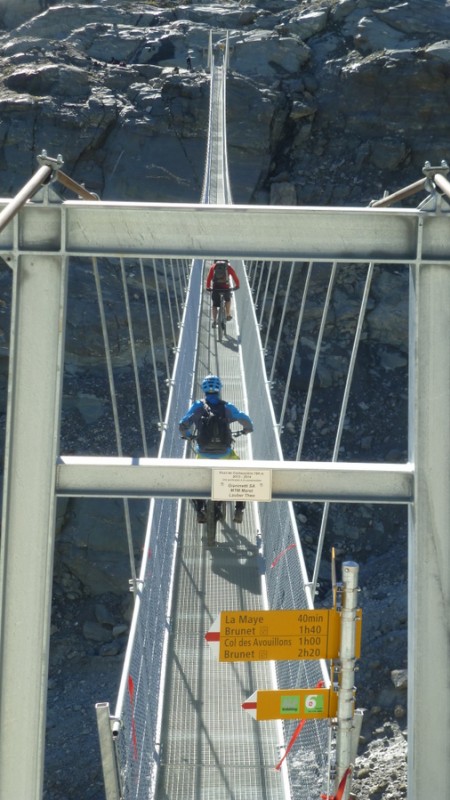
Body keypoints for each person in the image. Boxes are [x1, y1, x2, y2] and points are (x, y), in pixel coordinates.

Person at [179, 374, 253, 524]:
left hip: (203, 453)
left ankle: (200, 511)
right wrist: (246, 430)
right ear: (220, 389)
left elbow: (183, 424)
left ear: (204, 390)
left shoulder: (198, 406)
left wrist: (188, 435)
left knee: (195, 480)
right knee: (242, 474)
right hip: (224, 453)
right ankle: (239, 509)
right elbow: (245, 419)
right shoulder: (227, 406)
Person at [206, 259, 240, 328]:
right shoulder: (228, 267)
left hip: (216, 288)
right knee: (227, 300)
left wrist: (208, 287)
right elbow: (235, 277)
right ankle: (228, 315)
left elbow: (208, 278)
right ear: (226, 262)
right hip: (226, 288)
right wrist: (237, 285)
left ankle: (214, 321)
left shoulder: (213, 267)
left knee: (215, 305)